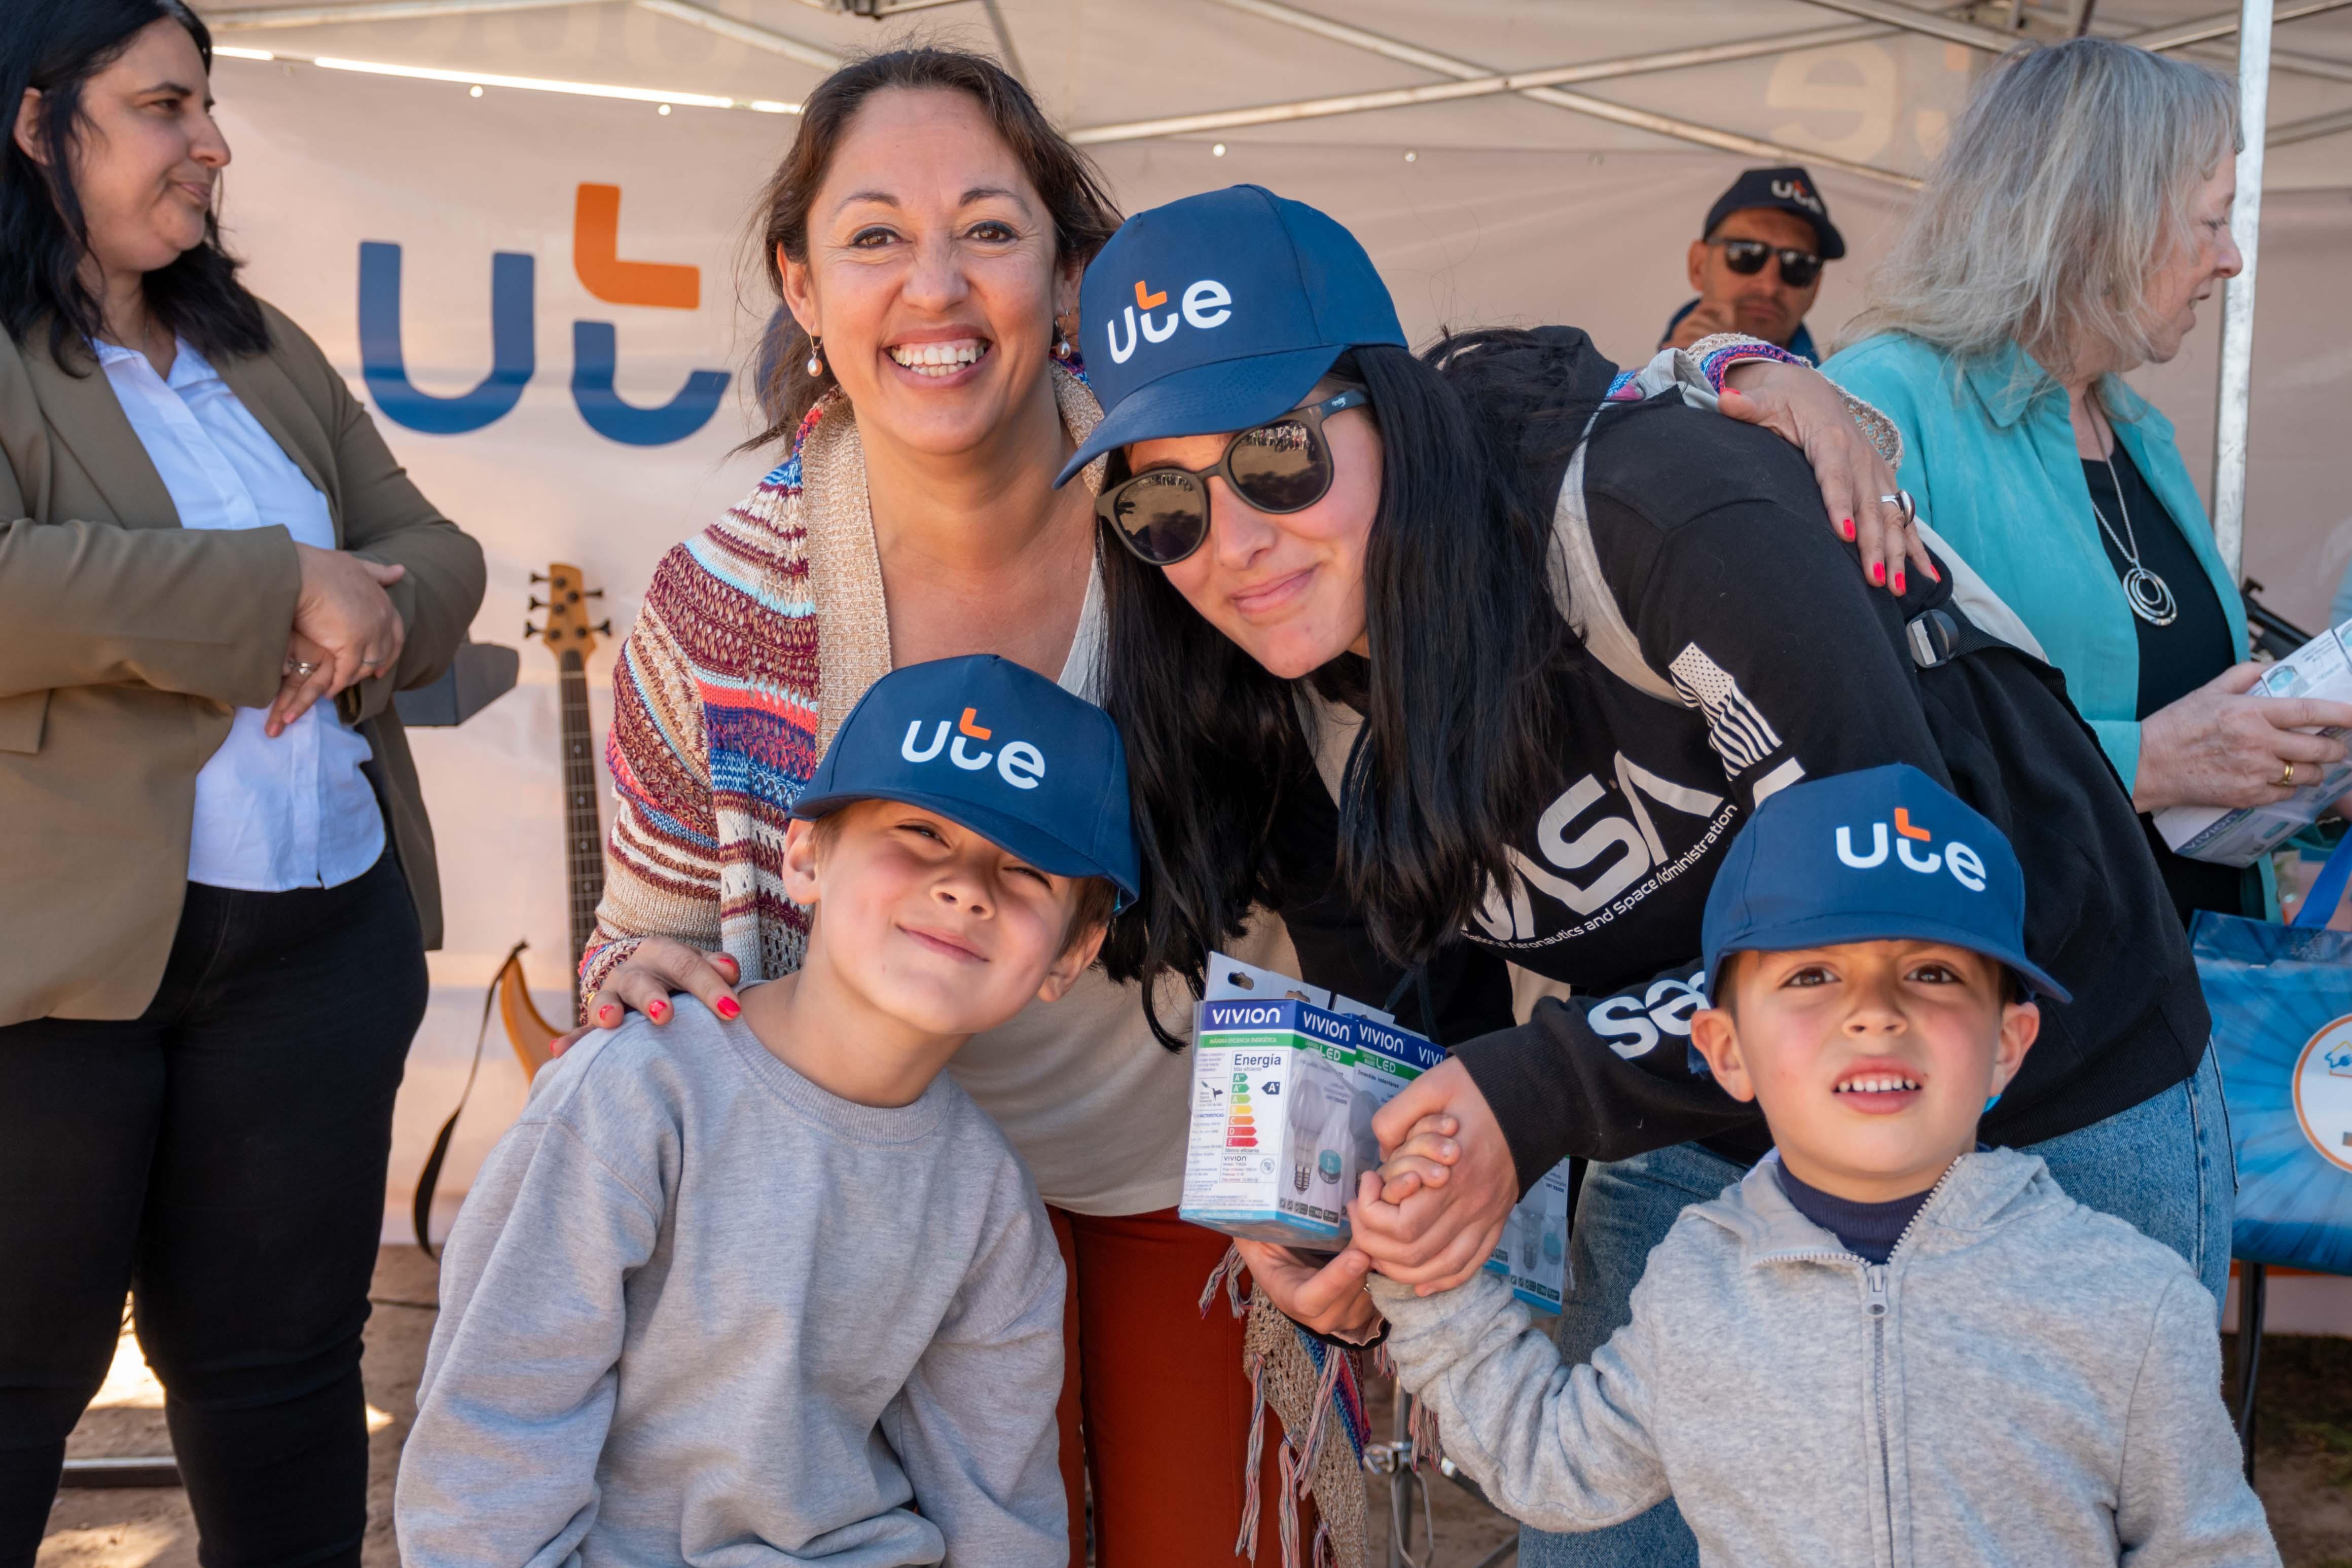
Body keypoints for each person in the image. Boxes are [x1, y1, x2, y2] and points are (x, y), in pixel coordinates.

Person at [560, 47, 1899, 1566]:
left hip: (1180, 1182)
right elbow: (643, 939)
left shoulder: (1189, 493)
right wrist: (639, 986)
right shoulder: (718, 604)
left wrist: (1730, 371)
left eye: (989, 230)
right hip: (862, 1210)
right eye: (872, 236)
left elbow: (1461, 410)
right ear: (799, 285)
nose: (933, 286)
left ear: (1067, 275)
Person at [1077, 186, 2228, 1568]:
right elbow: (1402, 1013)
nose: (1231, 540)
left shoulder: (1647, 513)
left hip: (2038, 1075)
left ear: (1385, 404)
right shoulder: (1263, 689)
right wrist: (1364, 1207)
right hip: (1689, 1097)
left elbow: (1897, 925)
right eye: (1158, 501)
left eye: (1271, 456)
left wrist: (1541, 1088)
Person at [0, 4, 484, 1564]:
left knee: (281, 1377)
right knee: (14, 1384)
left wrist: (381, 603)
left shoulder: (259, 350)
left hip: (318, 937)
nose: (209, 142)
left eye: (205, 105)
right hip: (53, 969)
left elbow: (438, 549)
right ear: (33, 125)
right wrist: (279, 583)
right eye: (161, 106)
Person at [1367, 765, 2278, 1568]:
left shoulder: (2127, 1302)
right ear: (1724, 1049)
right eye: (1810, 977)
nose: (1873, 1012)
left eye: (1929, 972)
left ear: (2007, 1044)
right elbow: (1553, 1461)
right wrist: (1424, 1283)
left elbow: (2208, 1547)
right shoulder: (1694, 1285)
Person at [397, 655, 1123, 1568]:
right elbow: (491, 1437)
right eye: (918, 829)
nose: (967, 886)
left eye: (1027, 873)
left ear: (1074, 951)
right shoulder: (635, 1097)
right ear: (804, 852)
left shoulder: (989, 1203)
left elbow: (999, 1507)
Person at [1825, 39, 2350, 925]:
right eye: (2210, 220)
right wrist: (2143, 762)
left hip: (2187, 990)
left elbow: (2183, 729)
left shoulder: (2133, 430)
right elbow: (1842, 731)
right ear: (2100, 219)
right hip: (2021, 1009)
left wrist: (2299, 776)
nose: (2228, 261)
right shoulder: (1882, 404)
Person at [1659, 165, 1841, 360]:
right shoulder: (1629, 385)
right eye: (1747, 254)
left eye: (1799, 265)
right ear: (1699, 266)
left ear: (1816, 286)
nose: (1769, 286)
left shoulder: (1844, 388)